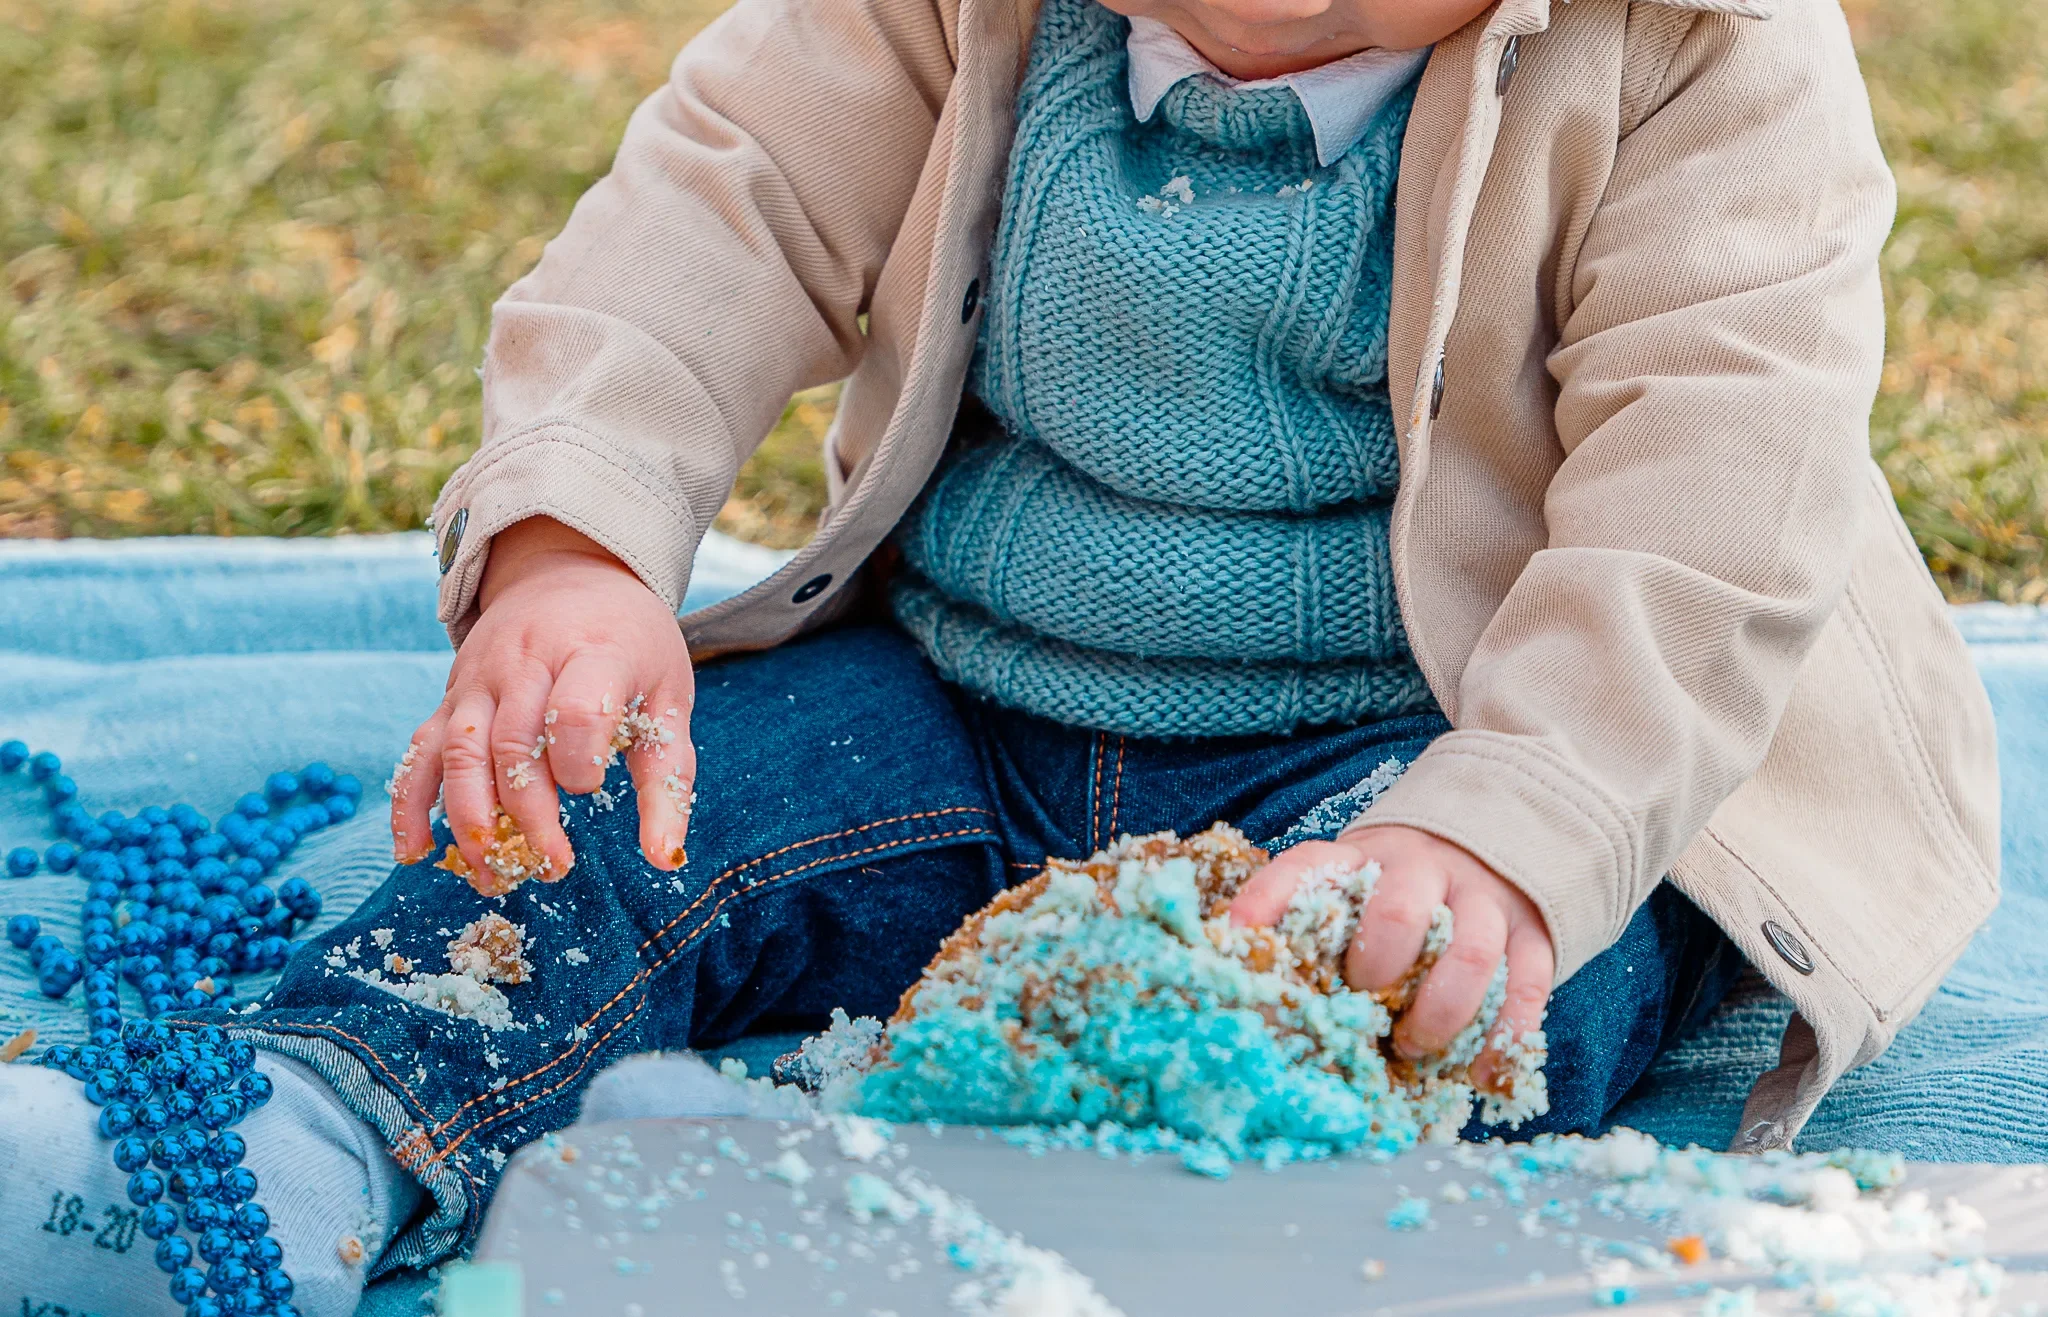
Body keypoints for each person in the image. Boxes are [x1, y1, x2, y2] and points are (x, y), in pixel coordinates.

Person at [5, 0, 2001, 1309]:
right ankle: (303, 1121)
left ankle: (876, 1189)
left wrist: (1511, 834)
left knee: (1460, 1004)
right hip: (976, 687)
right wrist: (574, 545)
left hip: (1441, 733)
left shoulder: (1703, 59)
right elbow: (714, 215)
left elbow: (1705, 522)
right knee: (586, 809)